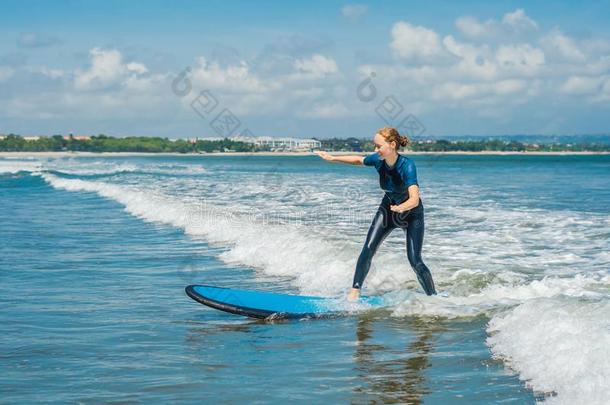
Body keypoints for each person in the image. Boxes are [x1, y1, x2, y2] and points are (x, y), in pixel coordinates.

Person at [315, 127, 437, 300]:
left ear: (392, 145)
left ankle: (433, 297)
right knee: (368, 248)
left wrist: (402, 208)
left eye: (378, 146)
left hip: (411, 215)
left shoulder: (407, 166)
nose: (375, 150)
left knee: (415, 260)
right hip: (387, 210)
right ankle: (354, 292)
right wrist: (332, 158)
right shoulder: (379, 160)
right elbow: (358, 160)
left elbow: (415, 199)